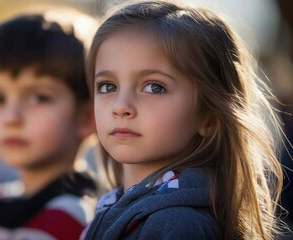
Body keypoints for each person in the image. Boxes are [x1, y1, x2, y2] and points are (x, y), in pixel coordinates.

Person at [82, 1, 287, 239]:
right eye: (107, 86)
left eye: (154, 87)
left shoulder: (177, 225)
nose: (120, 107)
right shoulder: (113, 205)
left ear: (208, 115)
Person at [0, 12, 97, 239]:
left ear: (88, 117)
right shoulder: (2, 201)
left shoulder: (69, 218)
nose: (11, 118)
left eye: (39, 98)